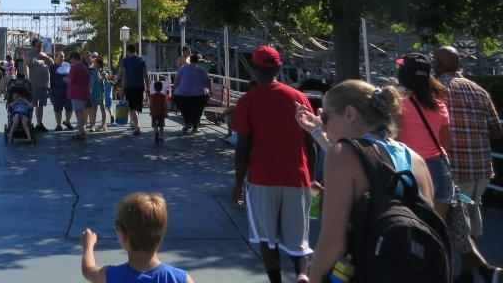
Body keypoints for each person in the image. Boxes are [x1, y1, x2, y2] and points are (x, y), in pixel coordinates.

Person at [295, 80, 436, 282]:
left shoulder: (342, 155)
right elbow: (365, 164)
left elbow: (334, 243)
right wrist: (317, 131)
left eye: (325, 117)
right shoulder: (416, 159)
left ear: (350, 114)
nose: (324, 126)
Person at [231, 46, 316, 283]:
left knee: (267, 239)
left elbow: (243, 146)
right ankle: (301, 274)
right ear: (278, 67)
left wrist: (238, 184)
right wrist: (312, 177)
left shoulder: (247, 101)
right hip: (297, 177)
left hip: (262, 178)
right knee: (300, 240)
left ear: (255, 68)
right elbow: (312, 142)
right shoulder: (299, 98)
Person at [432, 46, 503, 283]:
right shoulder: (480, 91)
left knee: (455, 221)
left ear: (440, 64)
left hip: (455, 173)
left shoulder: (438, 91)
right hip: (481, 173)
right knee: (470, 213)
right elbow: (497, 130)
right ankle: (468, 273)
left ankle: (472, 271)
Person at [79, 192, 193, 283]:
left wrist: (88, 245)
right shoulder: (181, 279)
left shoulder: (110, 276)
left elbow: (88, 270)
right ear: (161, 234)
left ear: (123, 234)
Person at [395, 52, 453, 220]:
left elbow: (395, 138)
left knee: (413, 227)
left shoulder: (400, 104)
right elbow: (446, 143)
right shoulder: (439, 104)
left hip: (411, 167)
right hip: (440, 168)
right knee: (438, 229)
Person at [172, 53, 212, 134]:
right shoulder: (201, 69)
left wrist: (173, 88)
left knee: (182, 106)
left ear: (190, 60)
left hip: (182, 93)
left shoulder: (183, 68)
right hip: (200, 93)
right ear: (197, 61)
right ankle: (195, 126)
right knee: (198, 109)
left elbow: (177, 79)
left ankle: (187, 122)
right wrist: (210, 90)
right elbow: (208, 81)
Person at [118, 44, 149, 135]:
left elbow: (124, 75)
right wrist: (147, 86)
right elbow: (145, 74)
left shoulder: (125, 60)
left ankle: (136, 125)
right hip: (140, 85)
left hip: (130, 86)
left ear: (128, 50)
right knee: (138, 106)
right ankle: (134, 122)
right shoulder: (141, 60)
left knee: (132, 107)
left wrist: (122, 88)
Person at [24, 38, 53, 132]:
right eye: (39, 46)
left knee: (41, 105)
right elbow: (26, 66)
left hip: (44, 84)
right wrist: (27, 77)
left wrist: (46, 57)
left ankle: (39, 124)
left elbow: (52, 63)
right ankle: (28, 123)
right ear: (33, 46)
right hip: (35, 84)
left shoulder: (43, 54)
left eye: (41, 46)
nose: (41, 47)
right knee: (32, 104)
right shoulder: (30, 55)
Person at [65, 50, 91, 139]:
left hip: (77, 93)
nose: (70, 62)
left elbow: (70, 79)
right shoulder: (84, 66)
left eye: (71, 60)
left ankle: (80, 131)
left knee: (79, 113)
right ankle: (81, 130)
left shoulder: (75, 67)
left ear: (73, 58)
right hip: (85, 91)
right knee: (82, 112)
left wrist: (64, 79)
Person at [49, 50, 74, 131]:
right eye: (60, 57)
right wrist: (50, 89)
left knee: (69, 108)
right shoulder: (52, 67)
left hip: (68, 90)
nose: (62, 58)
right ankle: (58, 124)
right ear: (56, 58)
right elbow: (48, 78)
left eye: (63, 57)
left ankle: (67, 122)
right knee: (58, 109)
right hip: (56, 91)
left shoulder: (67, 65)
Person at [89, 58, 106, 131]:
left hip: (101, 92)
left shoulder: (104, 72)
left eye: (96, 63)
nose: (94, 64)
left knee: (102, 108)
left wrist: (98, 73)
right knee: (94, 109)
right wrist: (89, 90)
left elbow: (100, 80)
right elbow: (90, 82)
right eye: (94, 63)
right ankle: (93, 125)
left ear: (99, 64)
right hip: (94, 91)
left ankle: (103, 124)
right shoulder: (92, 72)